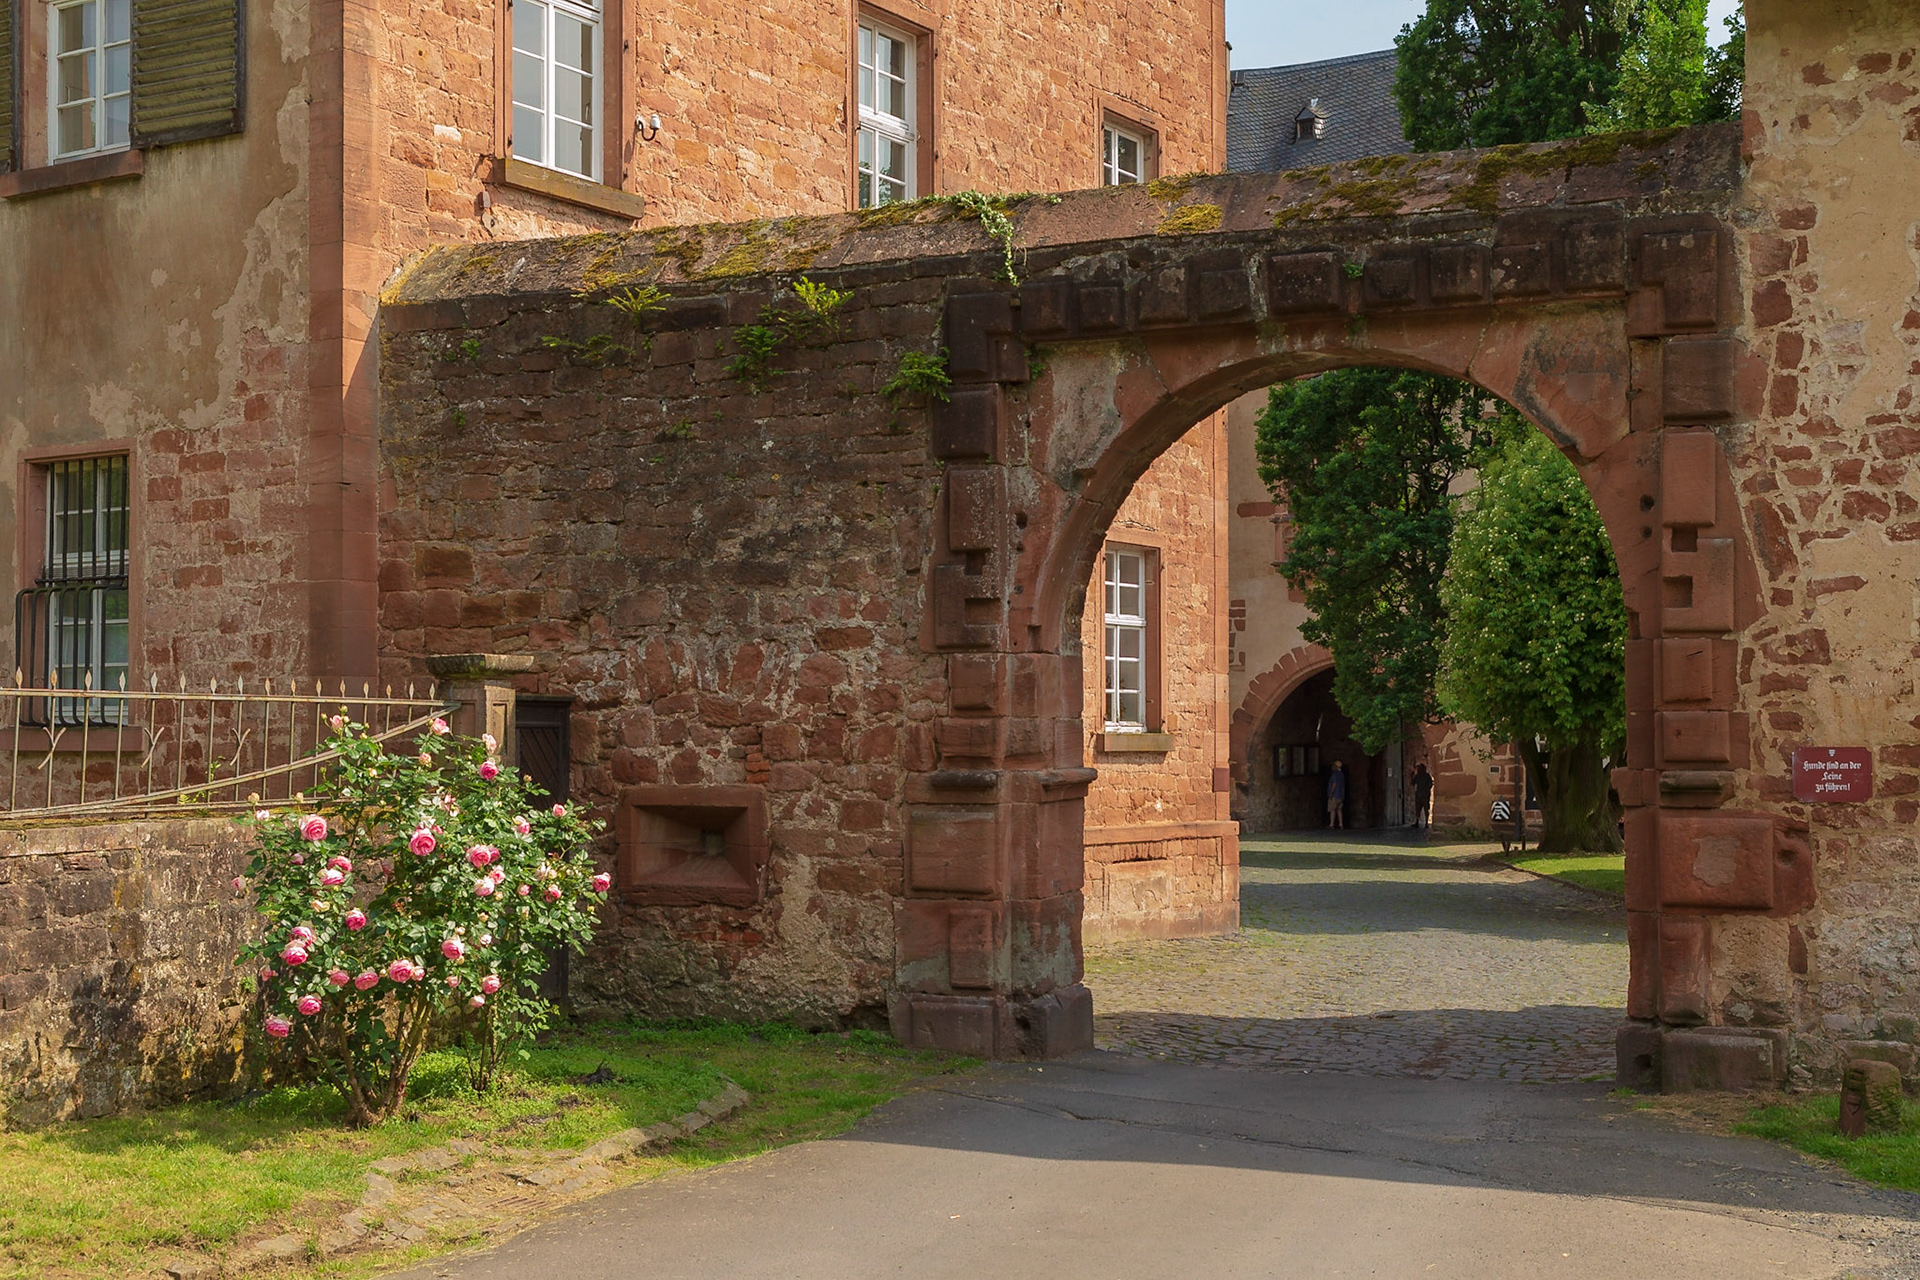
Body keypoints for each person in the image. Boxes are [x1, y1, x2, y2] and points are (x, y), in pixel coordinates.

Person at [1411, 763, 1434, 832]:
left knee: (1426, 808)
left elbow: (1430, 784)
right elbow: (1413, 783)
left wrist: (1426, 790)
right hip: (1419, 794)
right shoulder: (1418, 776)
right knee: (1418, 808)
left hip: (1424, 795)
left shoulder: (1427, 776)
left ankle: (1426, 822)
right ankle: (1417, 822)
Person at [1326, 760, 1346, 829]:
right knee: (1339, 810)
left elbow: (1334, 783)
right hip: (1341, 795)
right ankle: (1341, 824)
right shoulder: (1341, 774)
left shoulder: (1334, 774)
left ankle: (1331, 824)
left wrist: (1331, 793)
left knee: (1332, 809)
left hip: (1335, 794)